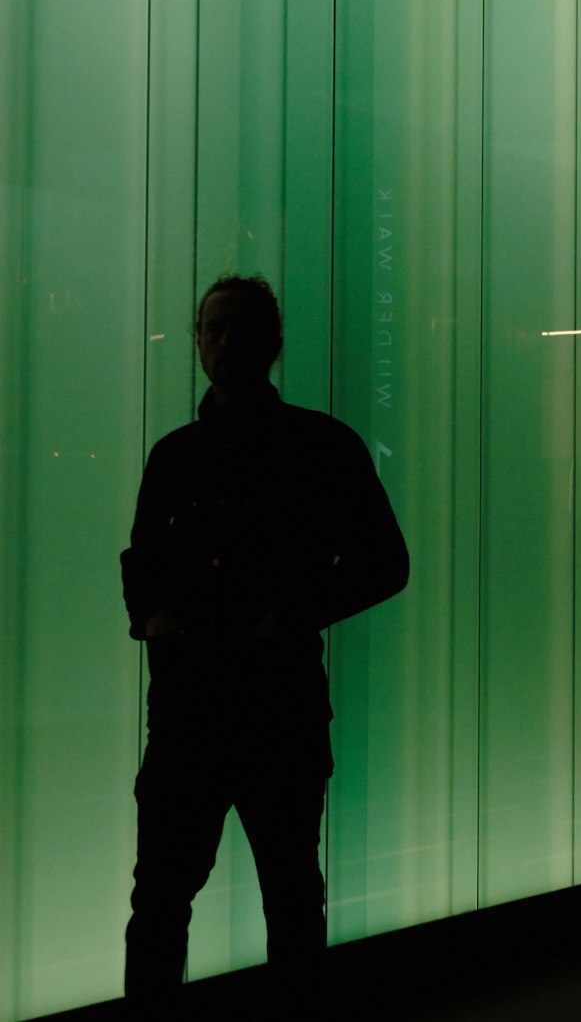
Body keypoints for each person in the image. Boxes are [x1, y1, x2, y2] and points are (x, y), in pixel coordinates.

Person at [120, 275, 409, 1017]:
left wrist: (268, 618)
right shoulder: (213, 453)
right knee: (228, 897)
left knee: (235, 897)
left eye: (236, 328)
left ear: (272, 343)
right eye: (214, 329)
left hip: (237, 711)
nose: (223, 342)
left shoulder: (293, 448)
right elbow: (143, 561)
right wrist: (162, 616)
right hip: (228, 710)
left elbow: (385, 563)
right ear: (200, 341)